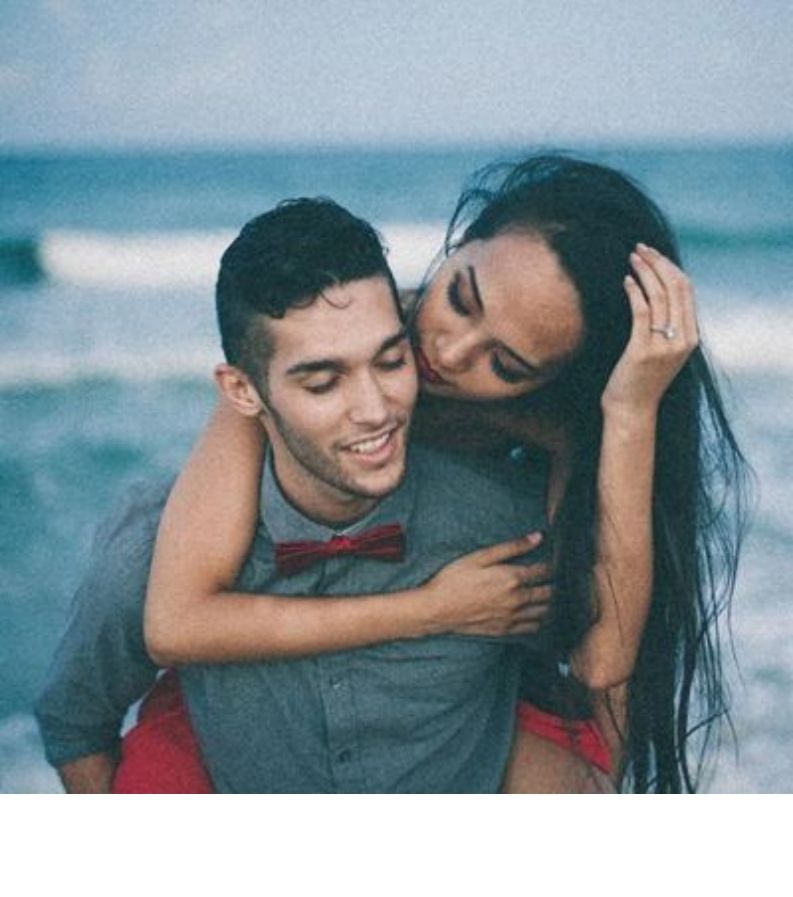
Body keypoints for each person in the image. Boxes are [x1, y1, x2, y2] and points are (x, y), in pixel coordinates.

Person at [138, 154, 748, 793]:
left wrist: (631, 410)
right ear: (462, 241)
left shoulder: (559, 424)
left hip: (478, 683)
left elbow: (602, 664)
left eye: (506, 366)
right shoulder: (325, 348)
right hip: (313, 673)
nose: (449, 353)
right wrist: (434, 609)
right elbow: (175, 621)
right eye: (460, 298)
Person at [35, 196, 578, 794]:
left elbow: (603, 680)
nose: (373, 410)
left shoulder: (506, 529)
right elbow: (75, 726)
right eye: (323, 382)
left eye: (391, 362)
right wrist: (431, 610)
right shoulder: (152, 563)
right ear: (242, 392)